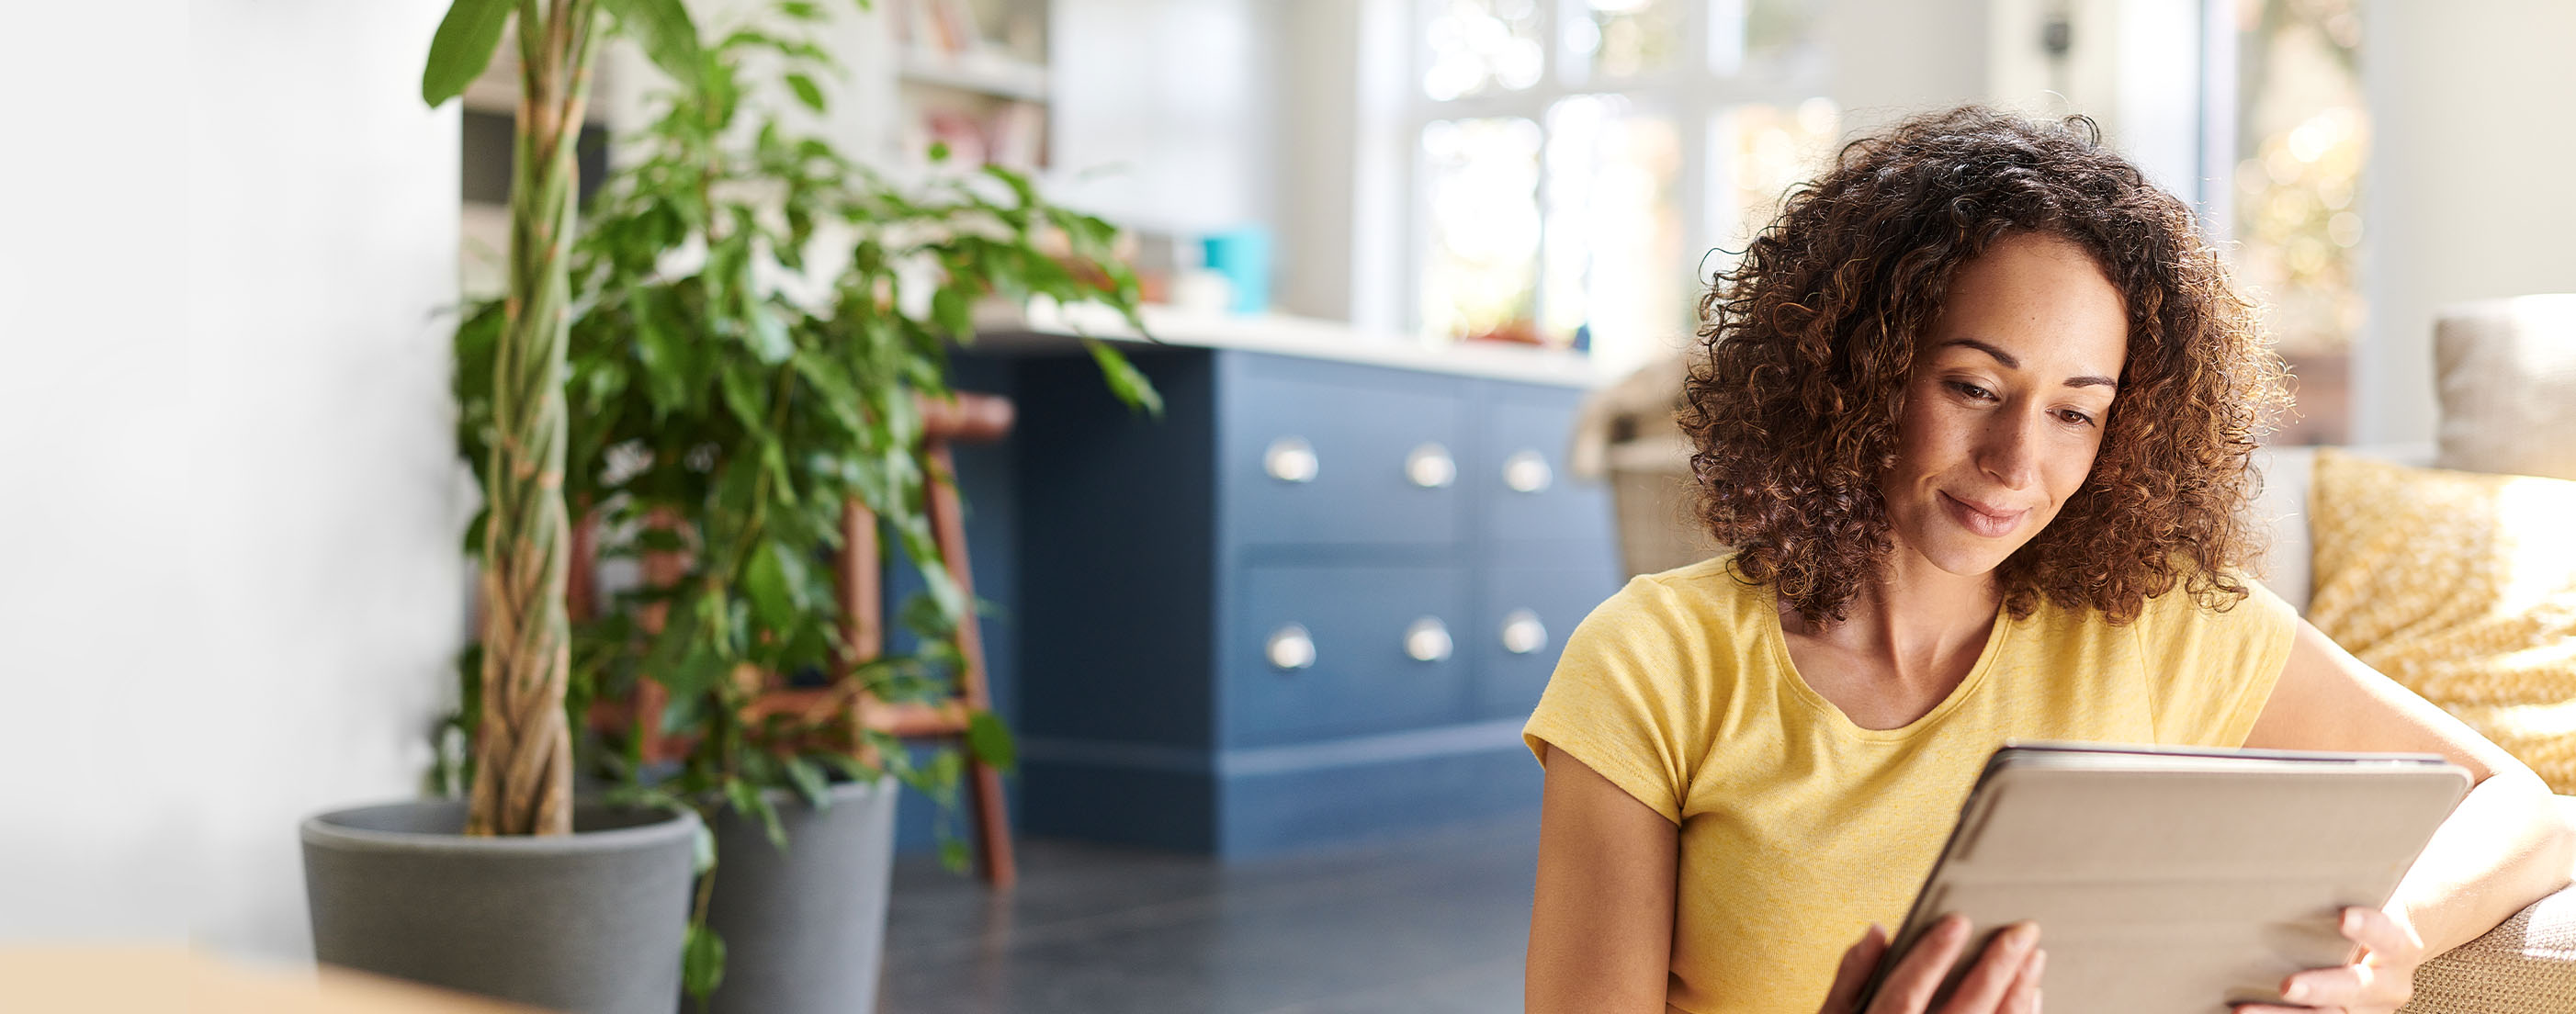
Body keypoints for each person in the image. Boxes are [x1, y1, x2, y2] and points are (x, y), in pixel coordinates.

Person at [1520, 107, 2574, 1014]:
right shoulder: (1653, 661)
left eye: (2075, 411)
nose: (2016, 463)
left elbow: (2521, 808)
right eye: (1973, 388)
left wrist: (2384, 937)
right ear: (1853, 367)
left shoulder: (2160, 625)